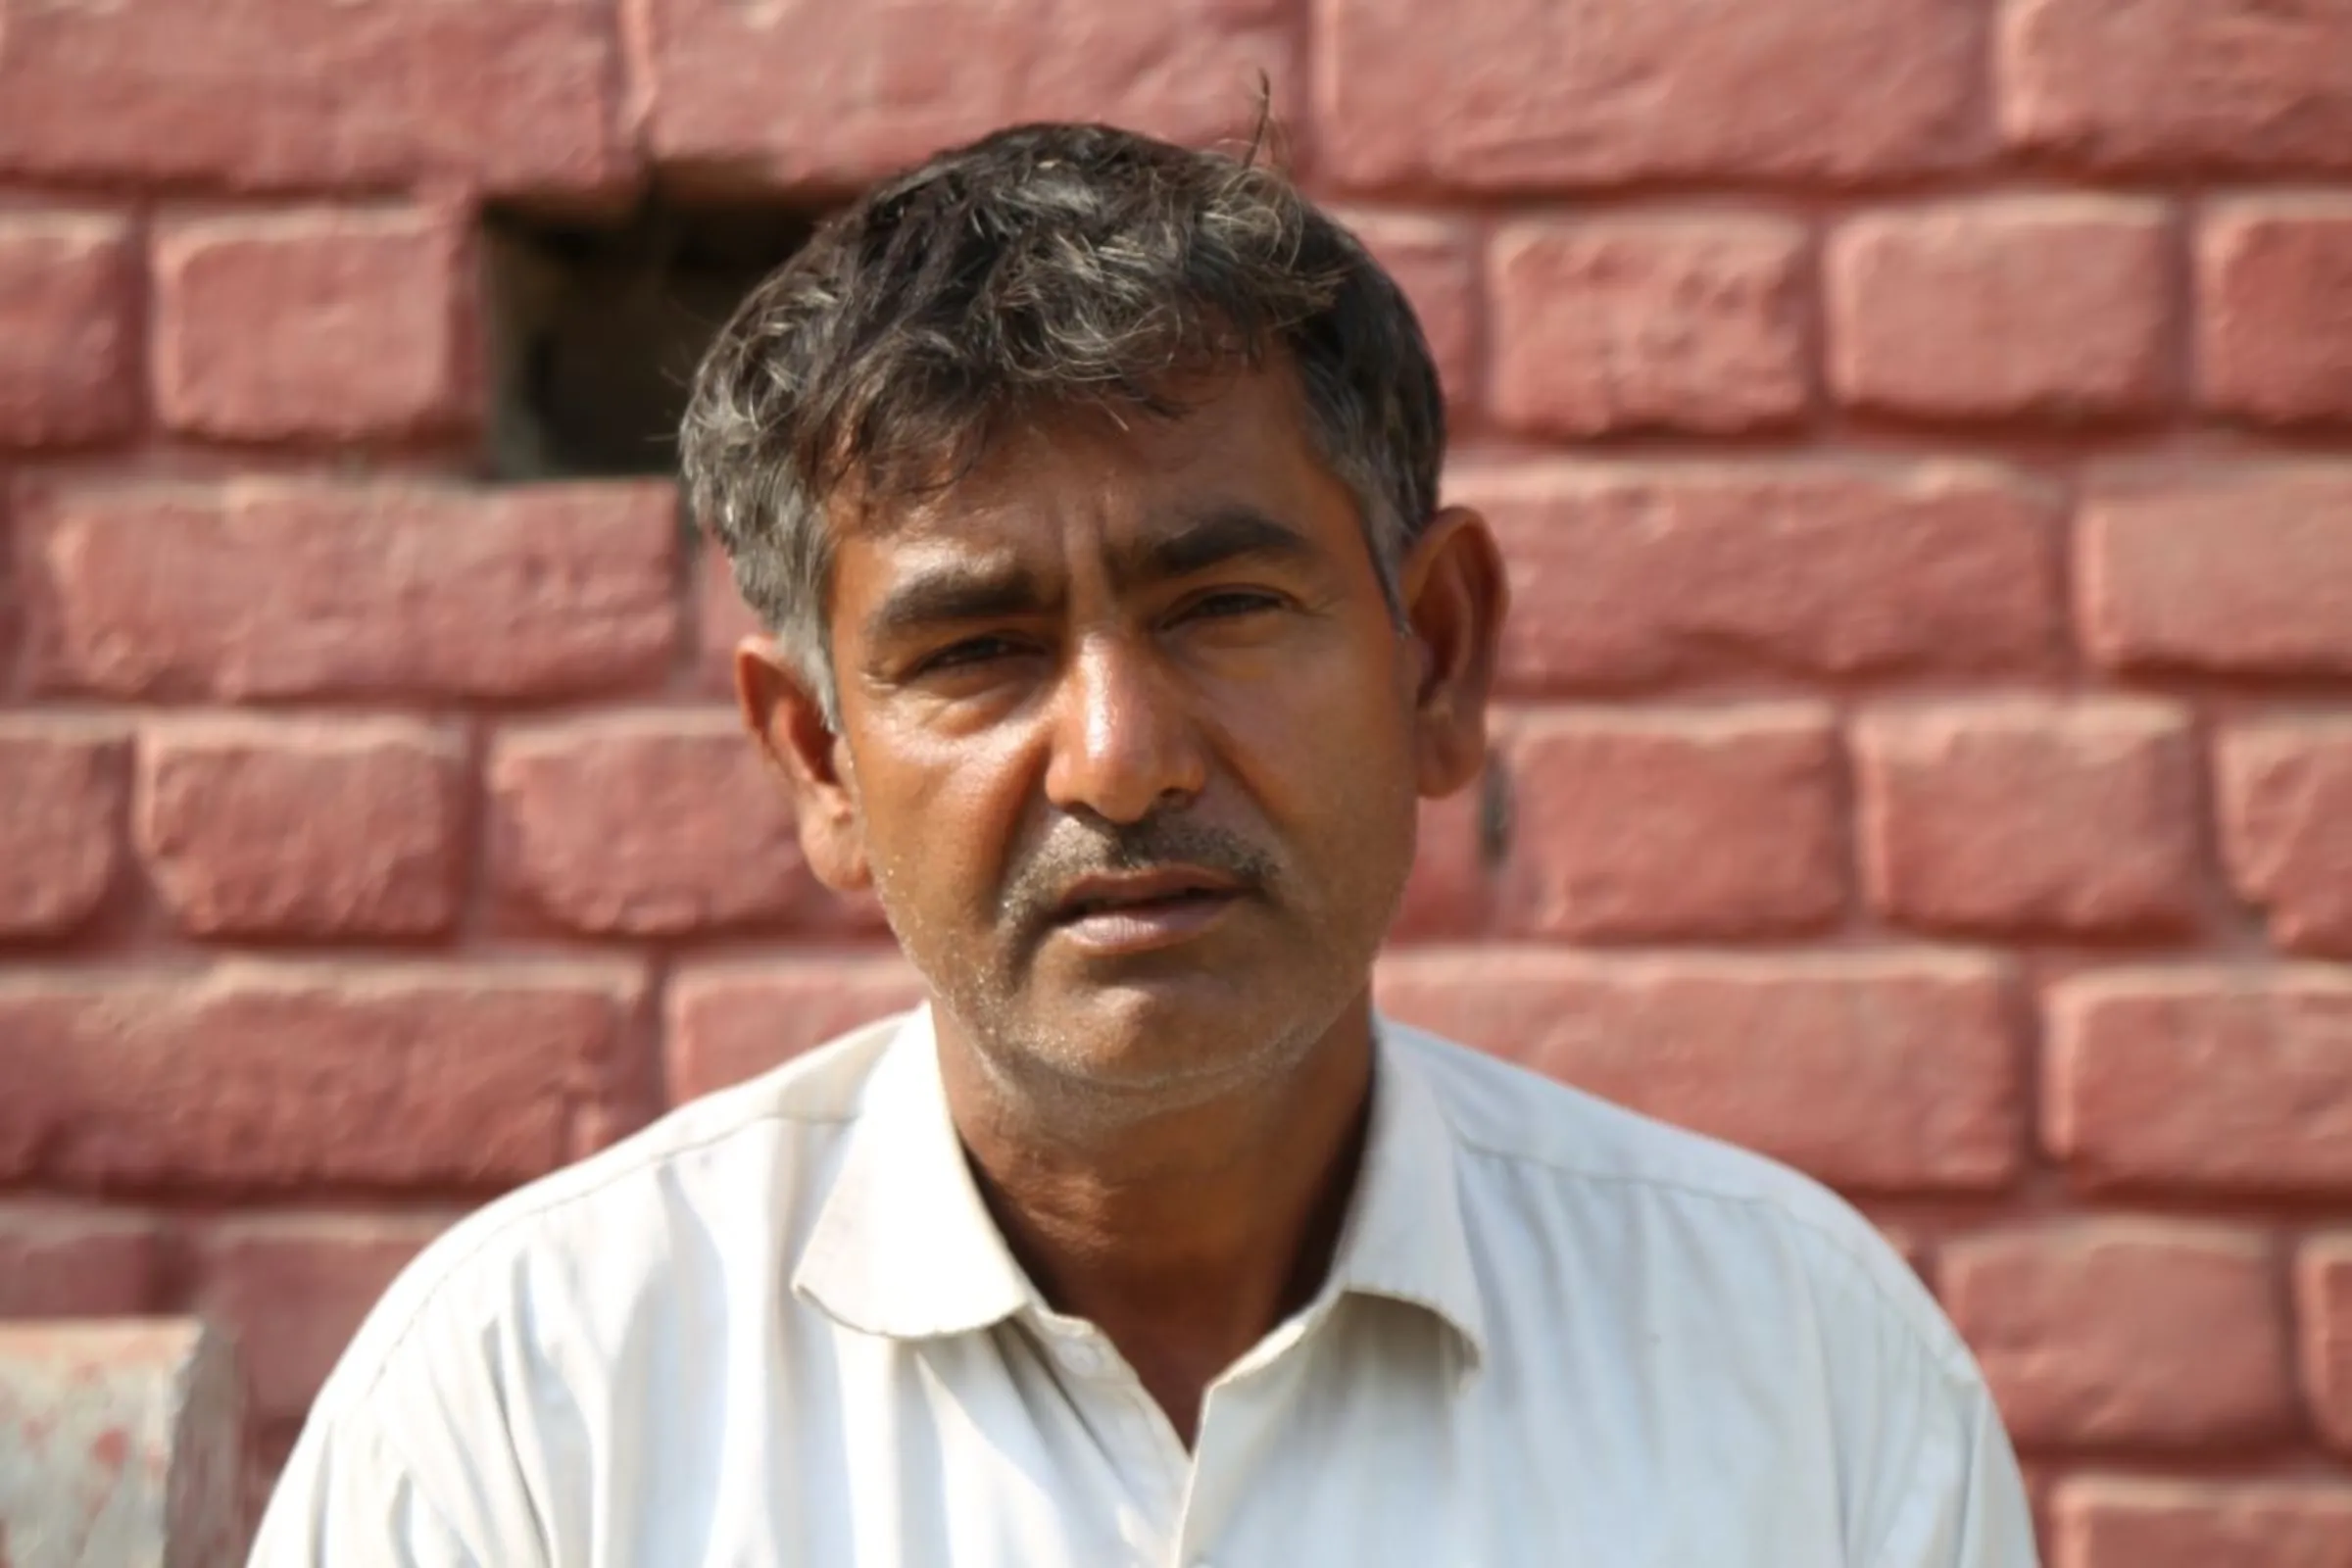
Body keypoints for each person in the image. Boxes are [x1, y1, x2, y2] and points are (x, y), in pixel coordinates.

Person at [249, 121, 2037, 1566]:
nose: (1119, 760)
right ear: (817, 762)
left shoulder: (1800, 1373)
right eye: (975, 651)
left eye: (1225, 604)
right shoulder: (535, 1405)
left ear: (1437, 658)